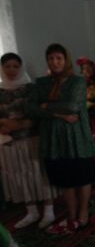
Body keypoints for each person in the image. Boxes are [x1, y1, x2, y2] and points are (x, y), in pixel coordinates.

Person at [28, 44, 95, 233]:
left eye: (58, 58)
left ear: (65, 60)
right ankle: (71, 213)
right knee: (65, 176)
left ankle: (83, 211)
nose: (55, 62)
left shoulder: (77, 81)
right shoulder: (41, 83)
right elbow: (32, 109)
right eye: (51, 58)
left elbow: (73, 106)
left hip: (76, 136)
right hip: (54, 137)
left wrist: (46, 106)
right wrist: (59, 115)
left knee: (82, 174)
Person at [0, 53, 57, 229]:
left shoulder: (30, 88)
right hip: (9, 141)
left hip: (31, 138)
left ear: (20, 68)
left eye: (15, 66)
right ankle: (31, 210)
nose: (11, 70)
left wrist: (15, 125)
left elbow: (36, 114)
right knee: (19, 174)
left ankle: (49, 209)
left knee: (38, 172)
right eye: (7, 66)